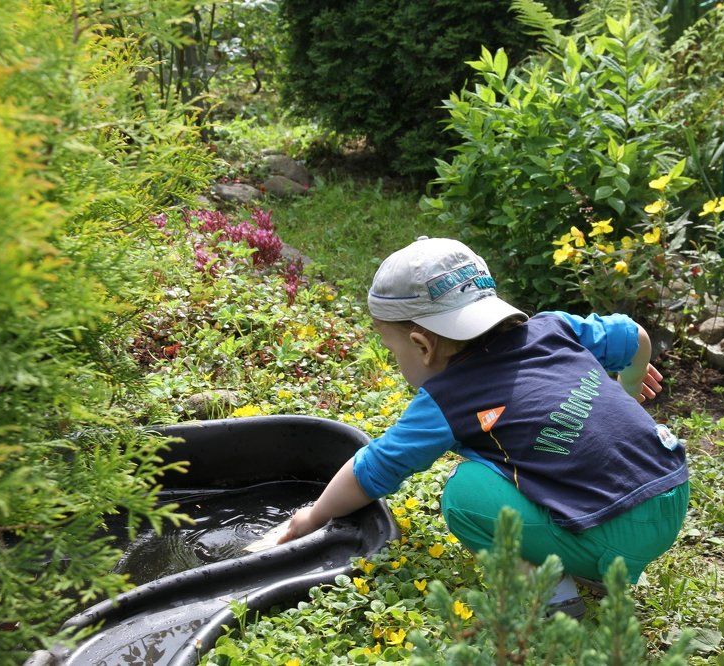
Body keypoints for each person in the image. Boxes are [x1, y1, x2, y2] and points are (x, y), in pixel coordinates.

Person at [278, 236, 689, 618]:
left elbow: (376, 467)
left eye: (391, 350)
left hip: (616, 530)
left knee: (464, 495)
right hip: (671, 492)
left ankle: (553, 595)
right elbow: (633, 335)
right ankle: (595, 565)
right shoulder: (554, 328)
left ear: (422, 346)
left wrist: (311, 517)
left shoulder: (447, 398)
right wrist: (630, 386)